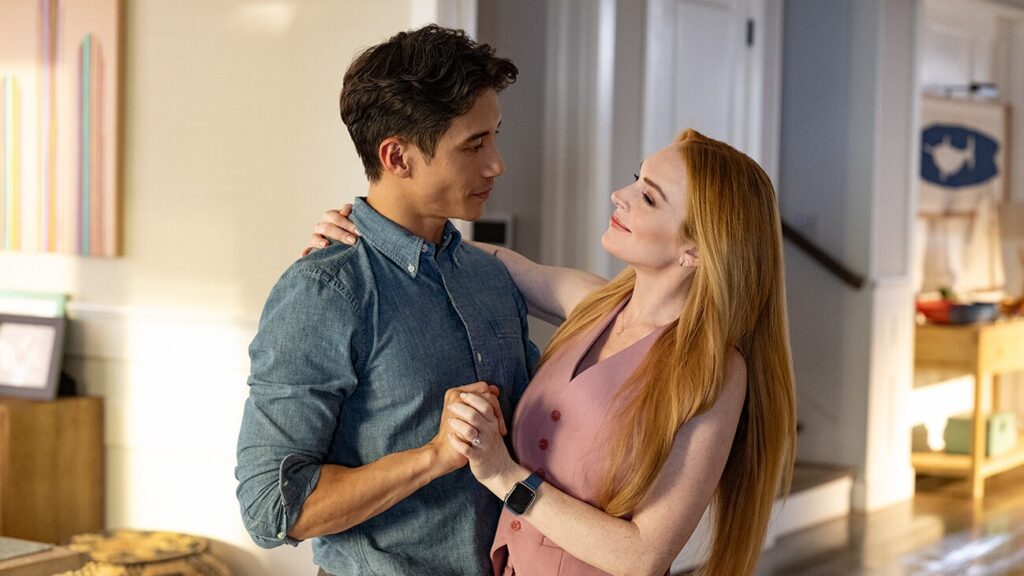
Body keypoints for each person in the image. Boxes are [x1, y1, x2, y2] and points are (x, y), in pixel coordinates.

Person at [311, 129, 797, 575]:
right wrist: (366, 238)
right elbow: (475, 260)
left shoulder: (715, 372)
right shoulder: (594, 304)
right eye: (636, 179)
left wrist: (504, 478)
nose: (620, 195)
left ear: (697, 249)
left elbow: (643, 556)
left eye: (648, 197)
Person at [235, 25, 540, 576]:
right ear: (397, 156)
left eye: (493, 137)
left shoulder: (492, 280)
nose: (496, 164)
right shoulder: (325, 291)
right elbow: (271, 508)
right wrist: (432, 457)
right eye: (474, 145)